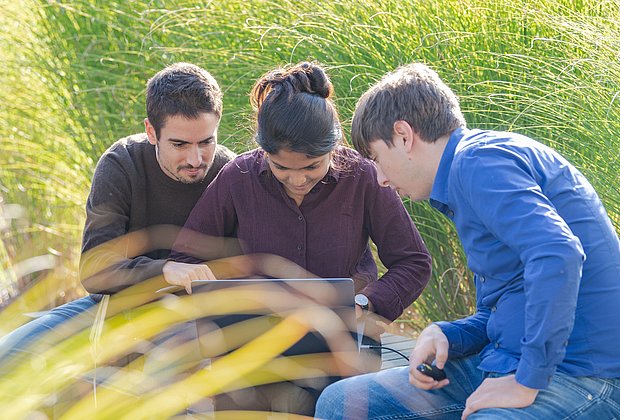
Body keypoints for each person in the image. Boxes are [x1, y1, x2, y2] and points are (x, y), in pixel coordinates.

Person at [315, 63, 620, 419]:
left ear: (403, 135)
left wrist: (527, 381)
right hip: (511, 360)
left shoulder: (478, 162)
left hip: (590, 377)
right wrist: (450, 334)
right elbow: (511, 303)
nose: (381, 179)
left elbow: (558, 253)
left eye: (377, 159)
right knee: (339, 404)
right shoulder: (468, 174)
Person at [169, 61, 432, 415]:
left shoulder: (363, 177)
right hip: (250, 360)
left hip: (344, 354)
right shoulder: (237, 178)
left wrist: (367, 306)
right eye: (282, 169)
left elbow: (413, 262)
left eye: (311, 167)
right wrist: (209, 290)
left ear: (333, 147)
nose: (297, 180)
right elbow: (185, 259)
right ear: (263, 151)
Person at [0, 62, 236, 367]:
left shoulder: (232, 173)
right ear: (151, 131)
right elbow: (95, 269)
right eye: (179, 144)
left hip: (193, 320)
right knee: (9, 357)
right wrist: (165, 270)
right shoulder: (122, 162)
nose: (195, 158)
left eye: (207, 142)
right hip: (111, 307)